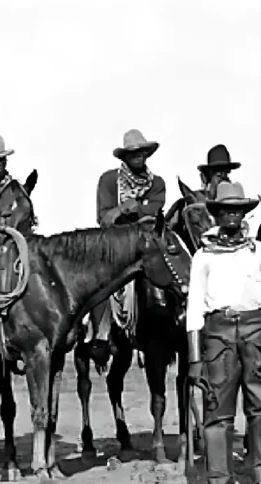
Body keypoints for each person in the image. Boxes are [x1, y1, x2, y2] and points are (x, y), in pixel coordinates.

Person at [185, 182, 261, 484]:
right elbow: (194, 307)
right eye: (225, 210)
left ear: (244, 213)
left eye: (237, 210)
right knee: (216, 411)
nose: (231, 215)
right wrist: (194, 358)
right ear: (216, 214)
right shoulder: (202, 256)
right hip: (218, 336)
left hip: (257, 332)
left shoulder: (259, 251)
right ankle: (219, 481)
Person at [90, 129, 167, 362]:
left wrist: (129, 209)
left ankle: (170, 322)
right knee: (100, 278)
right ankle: (100, 333)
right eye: (132, 152)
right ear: (124, 156)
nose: (138, 155)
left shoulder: (158, 183)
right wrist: (130, 208)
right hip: (115, 241)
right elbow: (104, 218)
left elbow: (153, 214)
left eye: (141, 151)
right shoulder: (109, 180)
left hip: (146, 240)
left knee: (171, 268)